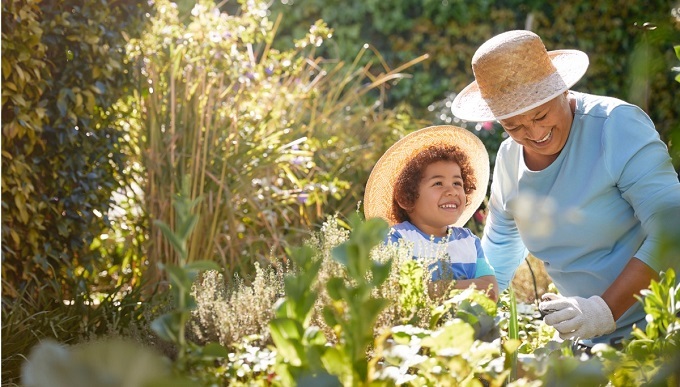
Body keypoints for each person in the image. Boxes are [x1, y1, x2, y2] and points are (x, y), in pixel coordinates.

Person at [451, 30, 680, 347]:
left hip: (665, 326)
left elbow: (672, 228)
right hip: (590, 338)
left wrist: (601, 311)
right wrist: (471, 316)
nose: (535, 132)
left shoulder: (615, 126)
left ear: (562, 88)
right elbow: (500, 250)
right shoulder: (508, 159)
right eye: (514, 126)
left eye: (541, 115)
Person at [364, 125, 498, 301]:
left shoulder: (469, 241)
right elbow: (398, 291)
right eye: (438, 184)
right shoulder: (397, 239)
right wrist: (469, 288)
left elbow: (491, 290)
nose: (452, 191)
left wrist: (434, 288)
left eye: (457, 183)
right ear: (407, 197)